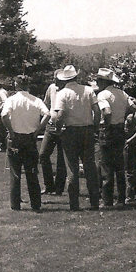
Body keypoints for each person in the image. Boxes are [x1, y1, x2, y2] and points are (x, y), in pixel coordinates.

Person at [50, 65, 101, 211]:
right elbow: (96, 111)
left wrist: (59, 130)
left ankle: (74, 204)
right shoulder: (88, 90)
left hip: (71, 131)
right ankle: (94, 202)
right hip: (87, 130)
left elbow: (59, 116)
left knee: (72, 169)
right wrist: (95, 127)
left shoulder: (63, 93)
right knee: (90, 167)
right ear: (76, 77)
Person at [1, 75, 50, 211]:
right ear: (28, 85)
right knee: (32, 172)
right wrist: (38, 130)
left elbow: (4, 115)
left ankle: (15, 204)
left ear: (16, 85)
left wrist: (10, 130)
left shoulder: (11, 100)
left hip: (15, 137)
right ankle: (35, 203)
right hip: (30, 138)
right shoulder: (36, 100)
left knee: (15, 173)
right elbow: (47, 114)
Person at [95, 68, 130, 208]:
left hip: (109, 130)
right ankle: (121, 198)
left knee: (106, 166)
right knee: (119, 165)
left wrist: (106, 126)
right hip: (120, 129)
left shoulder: (102, 95)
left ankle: (107, 200)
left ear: (103, 81)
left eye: (98, 80)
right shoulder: (122, 93)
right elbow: (133, 108)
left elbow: (107, 112)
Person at [39, 70, 68, 195]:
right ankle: (49, 185)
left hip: (64, 127)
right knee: (43, 155)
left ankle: (59, 188)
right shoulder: (51, 88)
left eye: (58, 79)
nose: (55, 81)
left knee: (62, 159)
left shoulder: (67, 91)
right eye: (55, 79)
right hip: (50, 126)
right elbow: (46, 103)